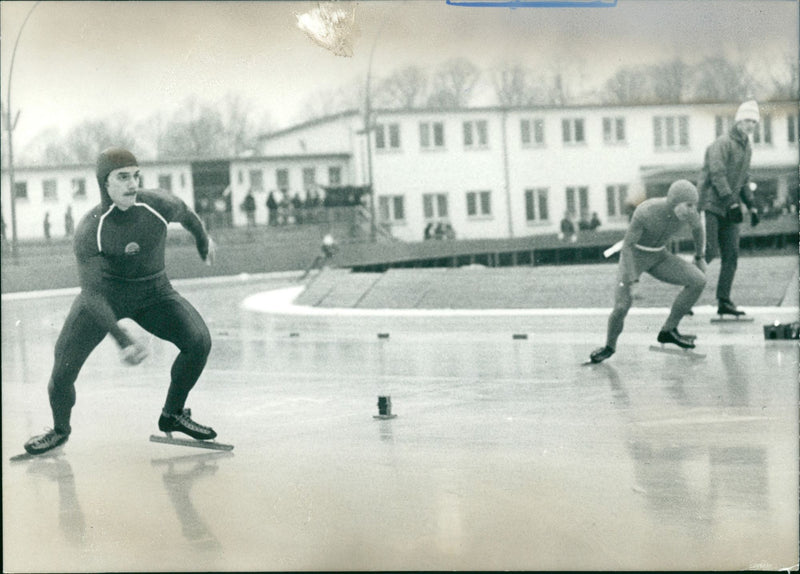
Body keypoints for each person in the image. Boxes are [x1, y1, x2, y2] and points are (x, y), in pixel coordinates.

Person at [23, 147, 219, 455]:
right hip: (106, 299)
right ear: (105, 183)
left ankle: (173, 414)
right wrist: (123, 339)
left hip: (154, 294)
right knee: (62, 372)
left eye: (136, 176)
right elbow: (92, 295)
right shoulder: (91, 229)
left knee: (199, 342)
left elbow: (189, 217)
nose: (133, 184)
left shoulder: (159, 205)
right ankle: (60, 430)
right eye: (123, 177)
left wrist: (204, 241)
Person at [589, 180, 706, 363]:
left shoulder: (690, 214)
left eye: (694, 206)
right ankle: (609, 347)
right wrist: (634, 280)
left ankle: (669, 330)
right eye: (689, 205)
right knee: (621, 307)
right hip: (634, 257)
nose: (692, 210)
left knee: (698, 280)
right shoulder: (647, 211)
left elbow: (699, 230)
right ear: (675, 201)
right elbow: (627, 247)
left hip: (659, 255)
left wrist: (699, 257)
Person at [698, 99, 760, 317]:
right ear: (738, 121)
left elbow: (744, 179)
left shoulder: (747, 148)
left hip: (730, 208)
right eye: (746, 120)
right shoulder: (722, 143)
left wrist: (751, 205)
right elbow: (717, 174)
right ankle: (686, 293)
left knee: (731, 255)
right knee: (709, 252)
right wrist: (731, 201)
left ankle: (723, 300)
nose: (750, 125)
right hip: (713, 205)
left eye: (753, 121)